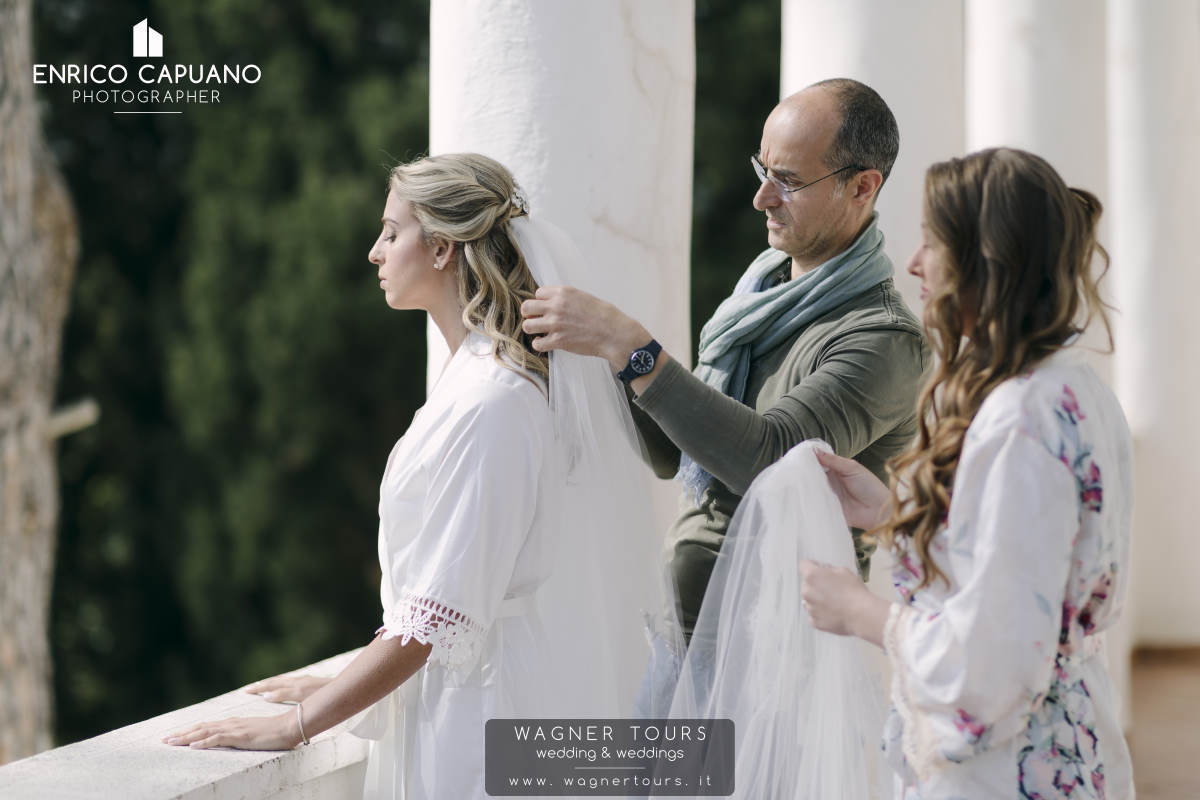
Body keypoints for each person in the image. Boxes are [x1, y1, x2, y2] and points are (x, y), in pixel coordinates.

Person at [163, 153, 661, 799]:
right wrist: (340, 683)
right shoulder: (470, 383)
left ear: (442, 249)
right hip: (450, 697)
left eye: (391, 232)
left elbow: (433, 621)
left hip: (479, 717)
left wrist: (296, 725)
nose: (374, 252)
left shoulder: (495, 404)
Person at [520, 78, 928, 705]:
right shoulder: (757, 298)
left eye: (788, 180)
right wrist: (601, 359)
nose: (762, 197)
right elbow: (677, 459)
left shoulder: (884, 339)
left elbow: (768, 458)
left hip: (767, 657)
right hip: (682, 634)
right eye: (761, 170)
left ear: (862, 186)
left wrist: (634, 349)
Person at [801, 147, 1135, 798]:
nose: (915, 264)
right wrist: (894, 513)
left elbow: (994, 661)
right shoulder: (1076, 389)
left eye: (931, 243)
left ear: (985, 264)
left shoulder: (1020, 420)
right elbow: (1027, 566)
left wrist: (863, 613)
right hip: (1069, 747)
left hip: (1010, 772)